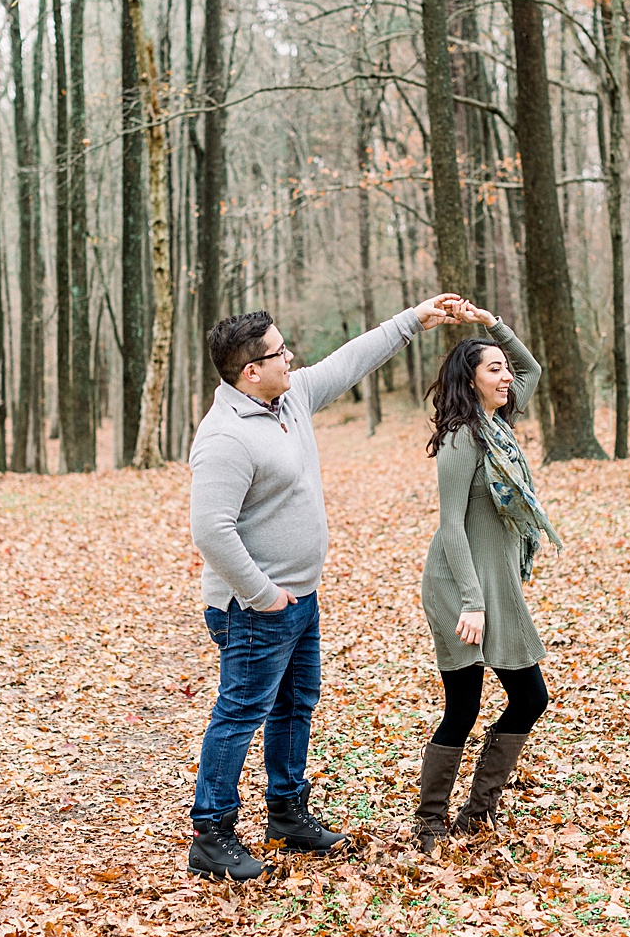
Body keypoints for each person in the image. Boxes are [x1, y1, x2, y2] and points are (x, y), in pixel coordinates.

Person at [188, 294, 463, 881]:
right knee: (240, 713)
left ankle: (286, 813)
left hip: (300, 598)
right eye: (278, 352)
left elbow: (351, 360)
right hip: (254, 607)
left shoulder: (290, 399)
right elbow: (210, 530)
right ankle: (211, 833)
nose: (291, 358)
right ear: (250, 372)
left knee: (294, 706)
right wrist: (263, 594)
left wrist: (414, 319)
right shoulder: (224, 438)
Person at [413, 300, 561, 853]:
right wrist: (471, 604)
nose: (506, 376)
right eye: (492, 368)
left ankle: (478, 813)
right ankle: (430, 826)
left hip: (498, 586)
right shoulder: (462, 438)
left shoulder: (499, 426)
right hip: (460, 588)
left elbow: (533, 370)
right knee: (464, 705)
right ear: (470, 381)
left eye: (503, 368)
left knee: (530, 697)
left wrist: (490, 325)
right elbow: (451, 529)